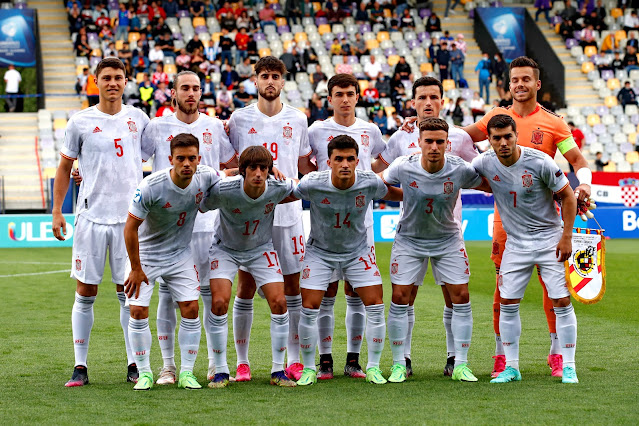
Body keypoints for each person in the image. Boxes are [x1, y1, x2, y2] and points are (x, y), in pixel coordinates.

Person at [463, 56, 592, 379]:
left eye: (526, 79)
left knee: (554, 291)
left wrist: (585, 184)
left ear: (537, 84)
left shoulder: (554, 123)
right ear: (508, 84)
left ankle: (558, 354)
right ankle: (501, 356)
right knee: (502, 289)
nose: (520, 84)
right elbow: (459, 139)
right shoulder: (495, 117)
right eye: (515, 79)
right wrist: (419, 126)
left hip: (544, 219)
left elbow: (576, 160)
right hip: (506, 221)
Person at [52, 58, 151, 387]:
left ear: (126, 82)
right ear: (95, 82)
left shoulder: (139, 118)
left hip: (130, 222)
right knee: (86, 291)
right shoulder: (80, 122)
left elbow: (160, 153)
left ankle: (134, 363)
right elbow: (65, 169)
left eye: (118, 77)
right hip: (91, 219)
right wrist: (56, 212)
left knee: (129, 293)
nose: (112, 83)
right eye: (106, 78)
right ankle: (80, 366)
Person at [373, 77, 479, 377]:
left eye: (434, 97)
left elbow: (482, 172)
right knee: (403, 297)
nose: (428, 102)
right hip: (412, 232)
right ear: (413, 102)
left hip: (448, 230)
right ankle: (401, 360)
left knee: (455, 296)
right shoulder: (399, 139)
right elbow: (377, 175)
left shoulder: (458, 138)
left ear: (442, 101)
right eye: (422, 98)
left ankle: (455, 361)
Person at [141, 71, 237, 385]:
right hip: (168, 227)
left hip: (207, 224)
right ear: (173, 92)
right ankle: (168, 367)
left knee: (211, 296)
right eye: (185, 88)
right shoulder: (156, 126)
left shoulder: (214, 126)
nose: (191, 93)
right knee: (168, 296)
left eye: (196, 88)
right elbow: (133, 160)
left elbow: (226, 167)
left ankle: (215, 364)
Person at [227, 56, 316, 382]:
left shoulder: (298, 118)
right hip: (251, 215)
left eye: (275, 76)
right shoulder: (238, 119)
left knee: (293, 286)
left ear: (283, 81)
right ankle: (242, 361)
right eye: (264, 75)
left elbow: (305, 163)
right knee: (246, 286)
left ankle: (293, 358)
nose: (270, 81)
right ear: (255, 79)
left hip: (289, 213)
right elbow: (231, 163)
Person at [472, 114, 579, 384]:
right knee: (507, 302)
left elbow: (567, 196)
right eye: (497, 138)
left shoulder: (540, 161)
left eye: (508, 136)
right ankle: (512, 367)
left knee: (561, 301)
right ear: (489, 140)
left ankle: (569, 366)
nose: (503, 142)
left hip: (549, 240)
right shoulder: (484, 162)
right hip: (516, 243)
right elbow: (461, 171)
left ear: (516, 135)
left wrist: (566, 237)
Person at [293, 135, 403, 386]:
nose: (345, 164)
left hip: (358, 252)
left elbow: (395, 194)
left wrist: (423, 191)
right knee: (309, 309)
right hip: (320, 252)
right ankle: (311, 367)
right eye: (339, 159)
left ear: (357, 161)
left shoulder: (370, 182)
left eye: (350, 159)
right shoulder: (312, 182)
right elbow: (286, 194)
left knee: (375, 306)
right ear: (328, 162)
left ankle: (373, 367)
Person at [123, 134, 223, 391]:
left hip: (180, 253)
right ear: (170, 160)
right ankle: (144, 373)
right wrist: (135, 267)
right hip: (146, 255)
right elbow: (130, 228)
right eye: (180, 158)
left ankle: (187, 373)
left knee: (191, 308)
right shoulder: (150, 186)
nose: (186, 163)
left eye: (192, 158)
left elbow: (231, 175)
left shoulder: (206, 176)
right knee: (137, 311)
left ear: (199, 159)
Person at [307, 73, 386, 380]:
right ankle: (324, 361)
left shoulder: (370, 129)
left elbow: (379, 162)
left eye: (350, 93)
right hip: (326, 225)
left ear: (357, 96)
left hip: (360, 226)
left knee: (356, 295)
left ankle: (353, 360)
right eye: (338, 94)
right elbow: (306, 165)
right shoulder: (317, 130)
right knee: (326, 295)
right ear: (330, 98)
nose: (344, 99)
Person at [201, 146, 298, 388]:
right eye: (252, 168)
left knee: (279, 301)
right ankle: (221, 370)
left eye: (263, 168)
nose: (258, 173)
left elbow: (302, 189)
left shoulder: (278, 187)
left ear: (269, 171)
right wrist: (228, 171)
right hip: (225, 249)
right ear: (242, 171)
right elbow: (201, 204)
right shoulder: (225, 189)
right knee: (219, 302)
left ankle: (278, 370)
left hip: (261, 249)